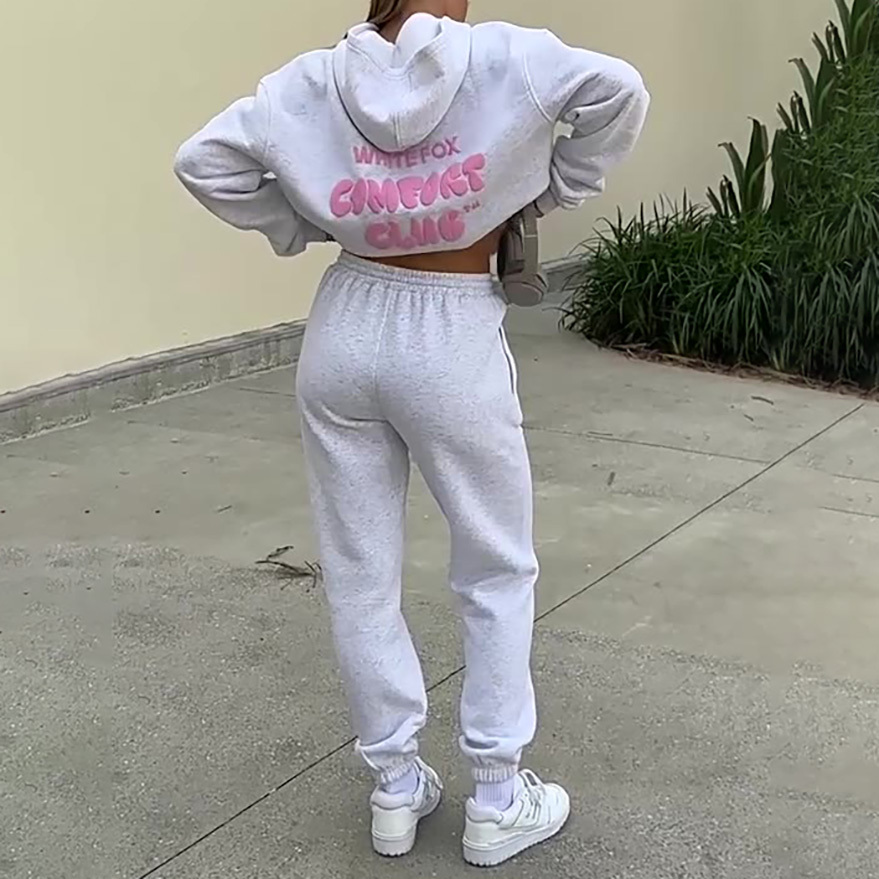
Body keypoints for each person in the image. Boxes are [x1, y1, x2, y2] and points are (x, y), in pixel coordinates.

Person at [174, 0, 649, 867]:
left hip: (345, 322)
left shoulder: (315, 79)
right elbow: (619, 91)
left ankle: (394, 785)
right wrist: (549, 186)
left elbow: (202, 161)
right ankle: (496, 794)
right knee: (494, 564)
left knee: (359, 571)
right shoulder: (506, 58)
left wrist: (304, 219)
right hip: (451, 331)